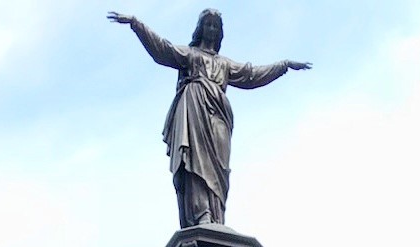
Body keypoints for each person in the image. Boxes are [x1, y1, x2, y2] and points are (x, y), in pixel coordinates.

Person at [108, 11, 310, 228]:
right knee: (195, 159)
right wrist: (137, 25)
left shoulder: (225, 64)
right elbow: (162, 50)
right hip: (194, 107)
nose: (212, 30)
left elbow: (251, 75)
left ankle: (217, 218)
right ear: (201, 28)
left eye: (216, 26)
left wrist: (283, 65)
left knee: (220, 167)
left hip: (219, 114)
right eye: (208, 25)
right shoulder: (191, 55)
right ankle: (202, 213)